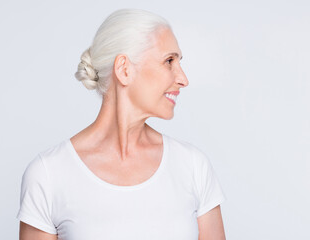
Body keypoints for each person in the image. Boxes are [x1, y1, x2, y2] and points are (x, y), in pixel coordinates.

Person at [16, 8, 227, 240]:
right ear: (124, 69)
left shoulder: (193, 166)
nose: (183, 79)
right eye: (169, 61)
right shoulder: (48, 174)